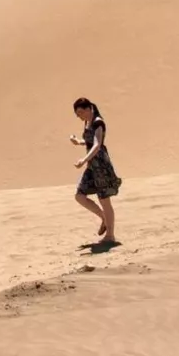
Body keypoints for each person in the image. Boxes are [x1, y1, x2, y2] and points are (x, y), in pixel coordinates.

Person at [69, 97, 121, 250]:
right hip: (92, 166)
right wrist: (79, 142)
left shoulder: (98, 122)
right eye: (77, 114)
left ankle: (110, 235)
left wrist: (83, 160)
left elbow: (98, 144)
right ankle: (104, 218)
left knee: (104, 200)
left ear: (88, 108)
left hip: (101, 166)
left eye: (80, 112)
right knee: (79, 195)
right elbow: (91, 141)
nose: (79, 116)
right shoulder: (88, 122)